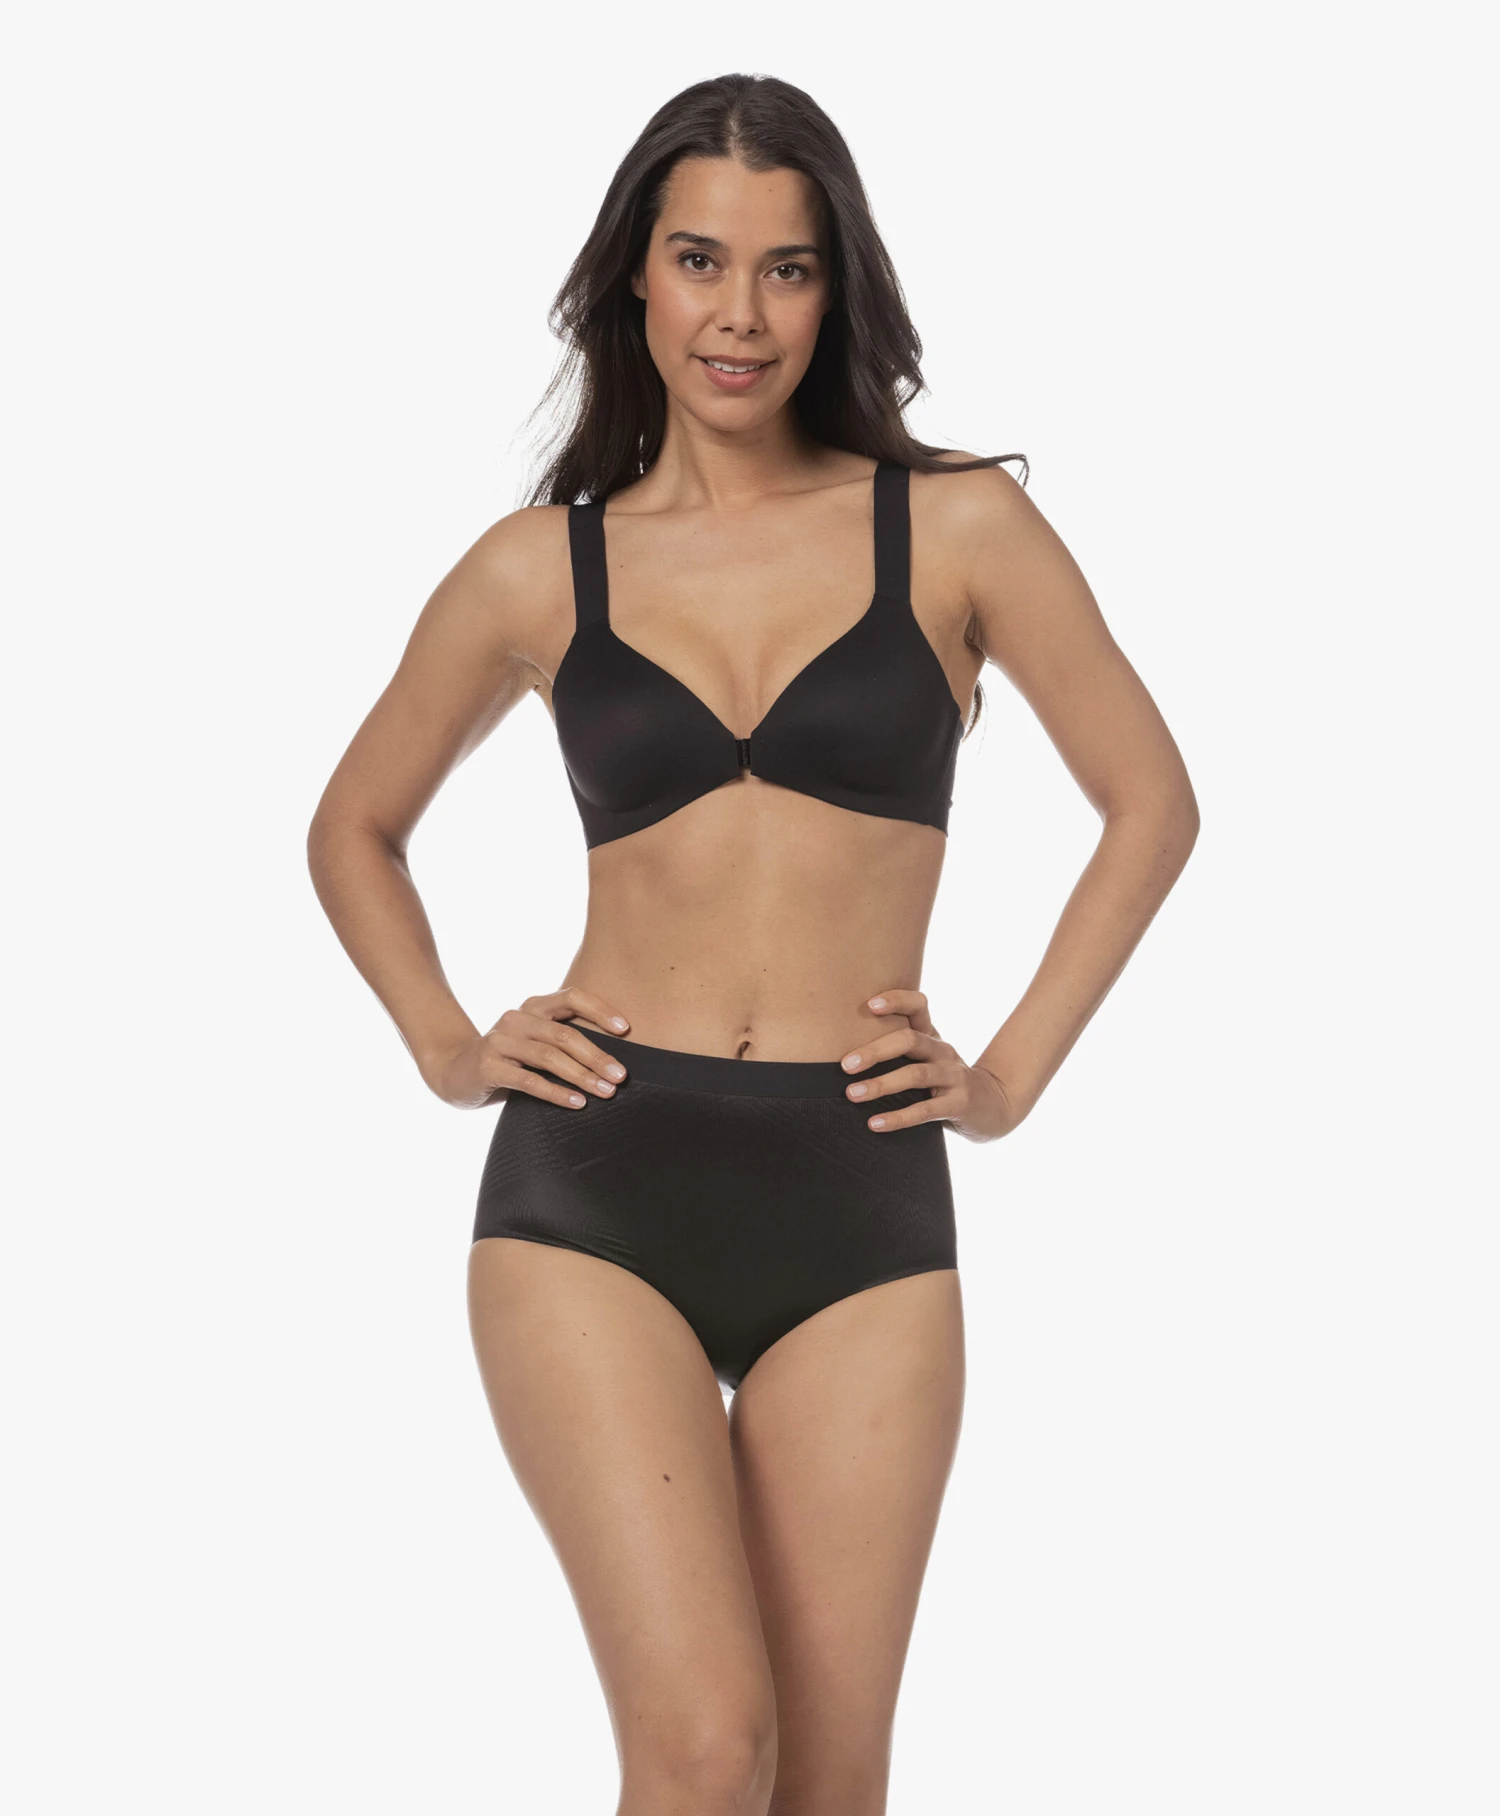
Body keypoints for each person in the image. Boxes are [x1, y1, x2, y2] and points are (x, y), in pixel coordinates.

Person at [307, 70, 1198, 1816]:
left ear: (834, 286)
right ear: (634, 279)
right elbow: (353, 828)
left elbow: (1152, 802)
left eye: (787, 269)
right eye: (700, 261)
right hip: (594, 1184)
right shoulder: (536, 569)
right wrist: (446, 1044)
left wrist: (1004, 1079)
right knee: (710, 1748)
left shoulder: (956, 528)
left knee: (831, 1783)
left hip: (859, 1185)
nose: (740, 315)